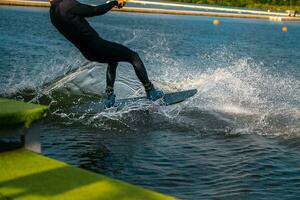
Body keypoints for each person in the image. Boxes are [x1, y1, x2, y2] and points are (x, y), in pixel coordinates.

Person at [49, 0, 164, 108]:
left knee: (112, 61)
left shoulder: (53, 14)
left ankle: (109, 96)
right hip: (98, 47)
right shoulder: (66, 6)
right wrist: (114, 2)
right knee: (134, 57)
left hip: (88, 53)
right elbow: (95, 11)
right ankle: (151, 91)